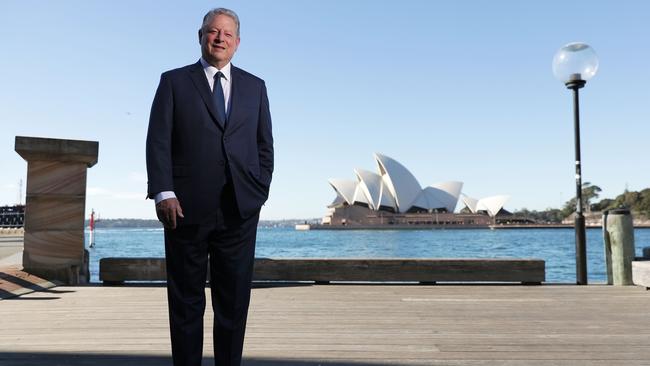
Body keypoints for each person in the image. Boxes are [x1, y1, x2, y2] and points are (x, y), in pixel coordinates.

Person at [145, 7, 273, 366]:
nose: (219, 38)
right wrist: (164, 191)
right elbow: (158, 141)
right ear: (200, 36)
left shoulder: (255, 87)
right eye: (212, 32)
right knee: (186, 301)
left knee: (233, 303)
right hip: (184, 208)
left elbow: (265, 146)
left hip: (239, 209)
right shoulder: (174, 81)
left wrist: (258, 191)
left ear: (237, 42)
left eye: (227, 34)